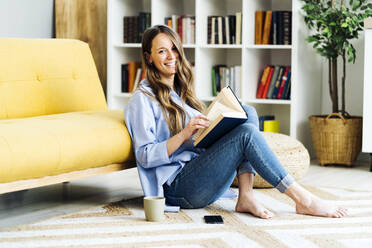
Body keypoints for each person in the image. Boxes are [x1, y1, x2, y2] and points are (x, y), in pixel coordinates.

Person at [124, 25, 348, 219]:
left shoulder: (181, 91)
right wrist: (184, 135)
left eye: (174, 48)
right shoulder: (142, 100)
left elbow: (195, 141)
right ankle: (302, 199)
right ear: (148, 57)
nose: (171, 56)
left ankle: (246, 195)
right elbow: (144, 155)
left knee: (246, 111)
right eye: (162, 51)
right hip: (178, 188)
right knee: (246, 135)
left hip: (199, 169)